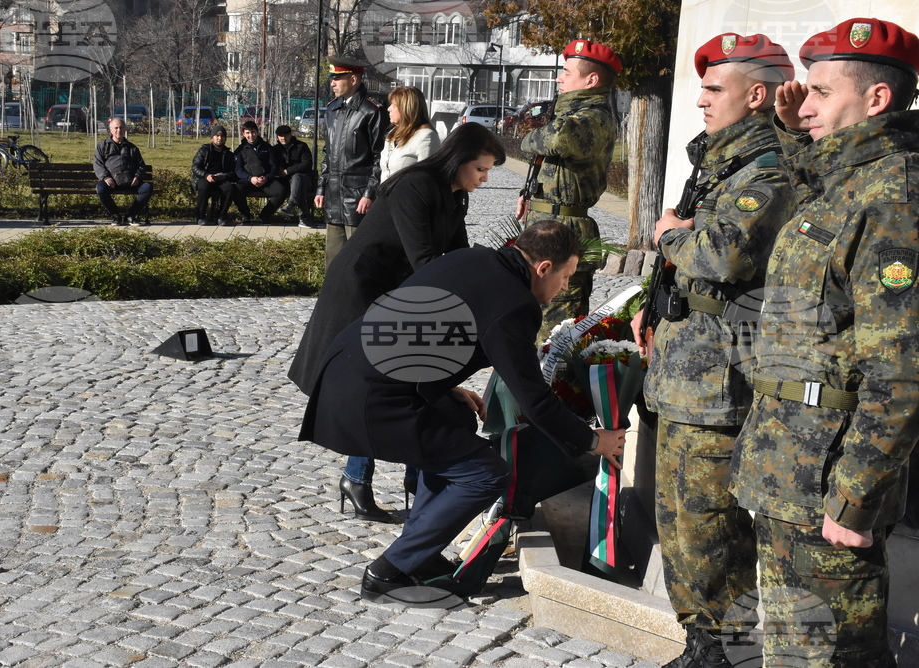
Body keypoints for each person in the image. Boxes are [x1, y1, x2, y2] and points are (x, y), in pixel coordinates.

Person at [298, 221, 626, 602]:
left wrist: (444, 387)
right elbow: (535, 400)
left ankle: (419, 555)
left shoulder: (474, 259)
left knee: (455, 420)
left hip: (348, 367)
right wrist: (593, 441)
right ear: (543, 268)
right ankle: (387, 572)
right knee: (486, 474)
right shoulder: (514, 304)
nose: (566, 287)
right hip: (371, 397)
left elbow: (415, 321)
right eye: (566, 276)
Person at [730, 18, 919, 667]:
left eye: (820, 91)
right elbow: (814, 186)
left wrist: (855, 498)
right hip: (788, 472)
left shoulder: (894, 196)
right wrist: (793, 131)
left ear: (877, 99)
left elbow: (902, 371)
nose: (803, 104)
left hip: (827, 487)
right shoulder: (847, 181)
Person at [628, 34, 798, 668]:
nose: (700, 100)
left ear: (756, 96)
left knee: (712, 525)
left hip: (718, 378)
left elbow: (723, 255)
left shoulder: (768, 167)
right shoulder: (718, 162)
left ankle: (728, 651)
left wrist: (671, 235)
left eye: (713, 89)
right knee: (678, 519)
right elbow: (690, 257)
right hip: (683, 368)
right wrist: (652, 307)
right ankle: (700, 643)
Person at [288, 123, 506, 523]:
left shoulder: (454, 196)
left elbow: (457, 257)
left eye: (489, 171)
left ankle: (409, 479)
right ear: (459, 160)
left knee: (409, 381)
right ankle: (363, 479)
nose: (485, 179)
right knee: (375, 385)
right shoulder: (416, 186)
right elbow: (424, 260)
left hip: (398, 293)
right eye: (481, 169)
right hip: (362, 292)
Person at [518, 39, 621, 334]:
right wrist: (528, 194)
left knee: (555, 332)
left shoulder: (594, 118)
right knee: (528, 322)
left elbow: (556, 139)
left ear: (591, 81)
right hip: (544, 227)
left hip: (565, 234)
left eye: (567, 72)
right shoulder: (566, 115)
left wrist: (533, 137)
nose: (559, 79)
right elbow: (547, 160)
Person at [314, 56, 386, 268]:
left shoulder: (372, 110)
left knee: (358, 261)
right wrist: (321, 188)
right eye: (332, 78)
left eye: (337, 78)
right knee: (333, 260)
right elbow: (328, 154)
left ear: (353, 79)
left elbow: (380, 157)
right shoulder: (332, 110)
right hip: (334, 195)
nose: (332, 83)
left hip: (358, 197)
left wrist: (369, 193)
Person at [93, 117, 153, 226]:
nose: (118, 130)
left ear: (125, 130)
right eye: (116, 128)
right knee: (100, 189)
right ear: (110, 130)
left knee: (147, 188)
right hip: (111, 182)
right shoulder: (102, 146)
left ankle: (131, 215)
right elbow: (98, 165)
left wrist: (137, 177)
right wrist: (106, 177)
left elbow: (141, 165)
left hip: (130, 182)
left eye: (121, 128)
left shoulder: (132, 148)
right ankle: (115, 215)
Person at [232, 120, 286, 225]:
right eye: (247, 133)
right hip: (248, 180)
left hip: (266, 180)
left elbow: (273, 166)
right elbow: (238, 169)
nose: (250, 135)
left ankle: (265, 215)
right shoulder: (240, 150)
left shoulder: (268, 148)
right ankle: (246, 215)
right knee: (236, 190)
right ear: (243, 134)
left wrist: (267, 178)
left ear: (257, 132)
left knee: (281, 191)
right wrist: (250, 178)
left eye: (253, 132)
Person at [380, 86, 439, 182]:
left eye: (394, 106)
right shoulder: (392, 133)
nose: (388, 109)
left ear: (406, 108)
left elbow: (427, 180)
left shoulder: (426, 136)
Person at [190, 125, 235, 226]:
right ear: (212, 138)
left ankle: (222, 216)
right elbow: (195, 167)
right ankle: (201, 216)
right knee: (204, 187)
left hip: (221, 179)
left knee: (229, 188)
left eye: (222, 136)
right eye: (217, 136)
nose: (219, 138)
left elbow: (232, 171)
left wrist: (225, 175)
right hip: (205, 177)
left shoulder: (229, 154)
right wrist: (206, 175)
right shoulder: (204, 150)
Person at [273, 124, 316, 229]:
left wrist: (288, 171)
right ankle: (305, 218)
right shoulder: (275, 149)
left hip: (305, 179)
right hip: (286, 182)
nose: (283, 138)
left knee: (298, 178)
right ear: (277, 137)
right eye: (281, 136)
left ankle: (291, 205)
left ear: (290, 135)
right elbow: (272, 164)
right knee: (298, 186)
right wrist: (279, 170)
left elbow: (307, 164)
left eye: (286, 135)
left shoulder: (301, 146)